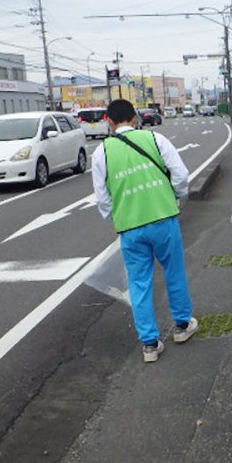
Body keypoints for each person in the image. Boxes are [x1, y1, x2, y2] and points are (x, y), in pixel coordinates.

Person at [91, 99, 198, 363]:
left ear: (110, 122)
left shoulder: (101, 152)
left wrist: (118, 214)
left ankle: (150, 344)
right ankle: (183, 326)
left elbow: (102, 198)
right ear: (135, 119)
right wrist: (174, 196)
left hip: (130, 227)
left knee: (138, 283)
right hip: (163, 218)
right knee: (173, 271)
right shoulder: (156, 139)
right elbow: (181, 176)